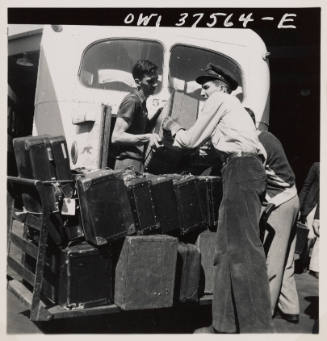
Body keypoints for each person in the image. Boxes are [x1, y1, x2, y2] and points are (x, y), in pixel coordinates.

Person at [163, 63, 273, 333]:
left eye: (207, 85)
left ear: (222, 86)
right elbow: (220, 144)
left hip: (242, 170)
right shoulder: (230, 108)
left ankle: (257, 330)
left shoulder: (221, 100)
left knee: (245, 251)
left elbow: (189, 140)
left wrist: (172, 126)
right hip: (236, 169)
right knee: (225, 250)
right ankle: (224, 325)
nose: (202, 91)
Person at [246, 108, 300, 323]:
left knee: (273, 259)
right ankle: (290, 308)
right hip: (291, 198)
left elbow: (254, 182)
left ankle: (264, 311)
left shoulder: (256, 142)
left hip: (281, 202)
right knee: (285, 259)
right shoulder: (266, 136)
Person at [111, 60, 162, 172]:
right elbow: (116, 137)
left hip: (136, 163)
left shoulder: (141, 103)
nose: (155, 84)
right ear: (138, 82)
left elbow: (138, 130)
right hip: (127, 164)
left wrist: (159, 115)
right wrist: (148, 137)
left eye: (156, 80)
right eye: (150, 81)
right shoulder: (132, 101)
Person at [299, 162, 320, 277]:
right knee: (309, 236)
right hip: (313, 205)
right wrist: (299, 206)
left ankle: (310, 264)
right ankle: (303, 263)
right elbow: (306, 186)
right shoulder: (317, 166)